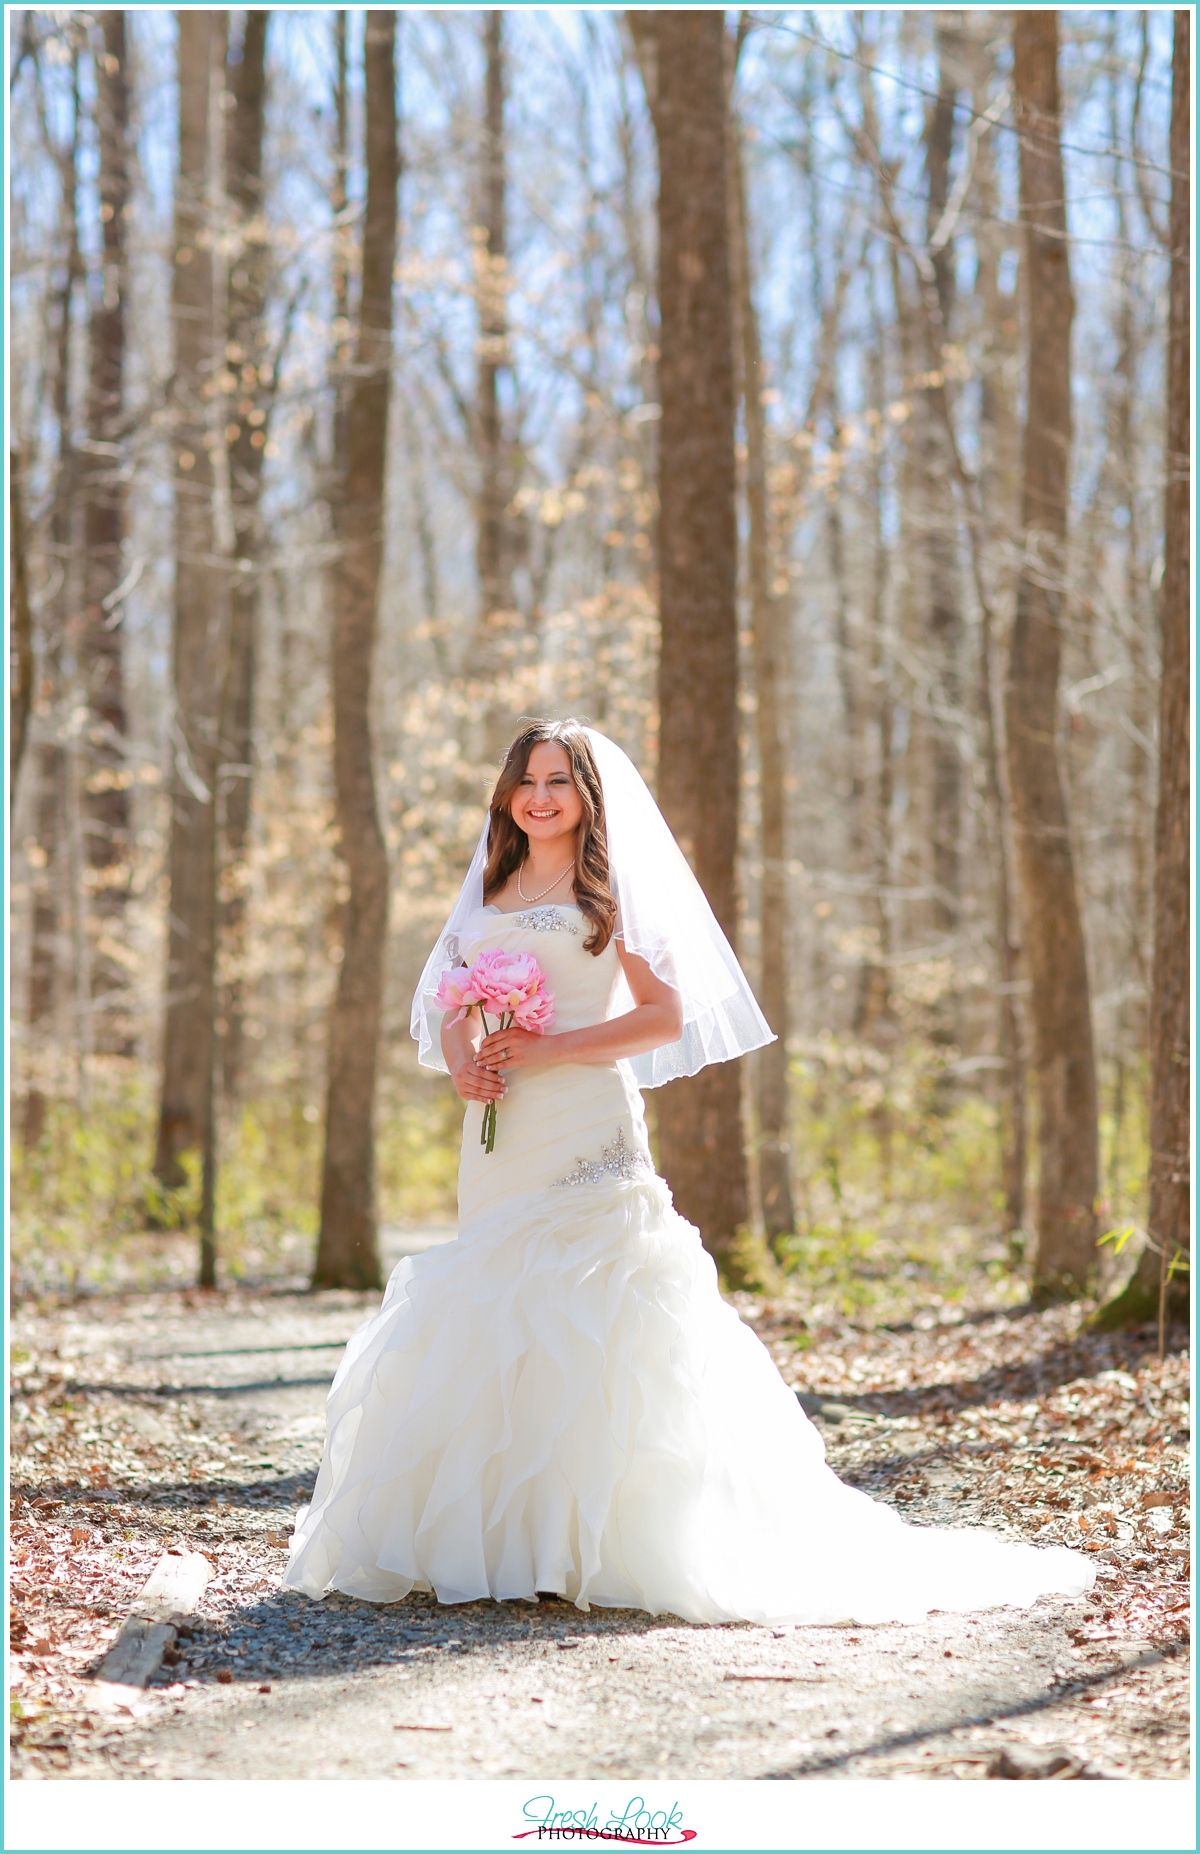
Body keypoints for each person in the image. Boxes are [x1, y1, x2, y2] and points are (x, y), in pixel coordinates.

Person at [285, 719, 1093, 1625]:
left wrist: (551, 1051)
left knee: (591, 1310)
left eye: (560, 780)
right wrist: (465, 1053)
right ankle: (509, 1539)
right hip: (499, 1128)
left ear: (589, 794)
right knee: (500, 1305)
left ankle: (595, 1542)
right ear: (507, 795)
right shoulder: (490, 882)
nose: (541, 796)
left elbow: (661, 1018)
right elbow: (452, 997)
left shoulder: (607, 890)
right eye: (527, 781)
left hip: (583, 1119)